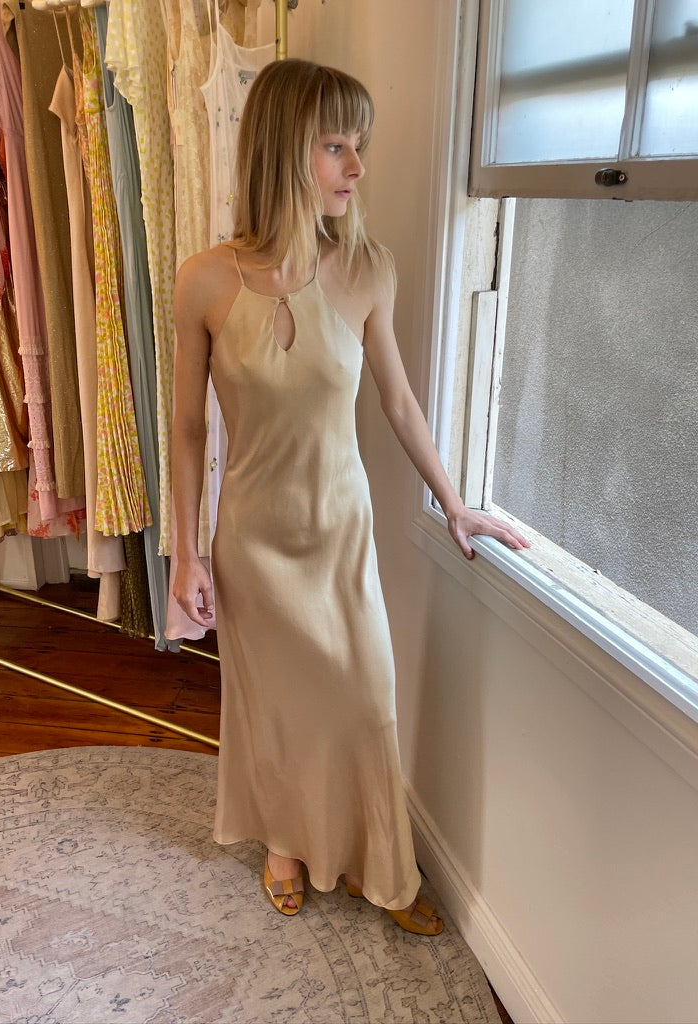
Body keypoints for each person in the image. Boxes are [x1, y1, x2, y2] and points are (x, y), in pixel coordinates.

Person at [171, 58, 529, 936]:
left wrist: (454, 502)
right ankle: (283, 843)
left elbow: (399, 401)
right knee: (274, 707)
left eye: (358, 146)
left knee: (367, 701)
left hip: (339, 534)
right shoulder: (205, 280)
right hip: (252, 539)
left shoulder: (370, 270)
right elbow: (184, 430)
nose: (357, 167)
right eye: (337, 146)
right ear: (285, 149)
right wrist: (186, 552)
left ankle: (385, 869)